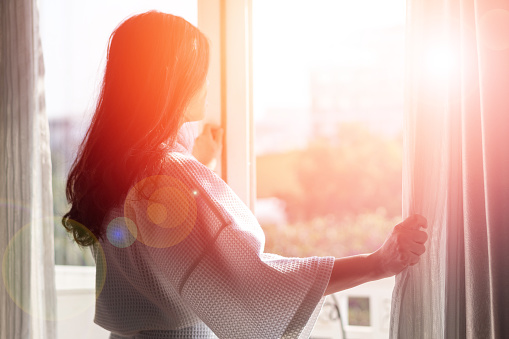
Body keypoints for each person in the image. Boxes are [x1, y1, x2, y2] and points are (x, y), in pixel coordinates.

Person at [62, 11, 428, 339]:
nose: (207, 84)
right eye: (200, 71)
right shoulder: (167, 176)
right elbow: (253, 282)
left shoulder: (112, 171)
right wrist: (377, 263)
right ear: (174, 83)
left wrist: (197, 164)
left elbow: (161, 250)